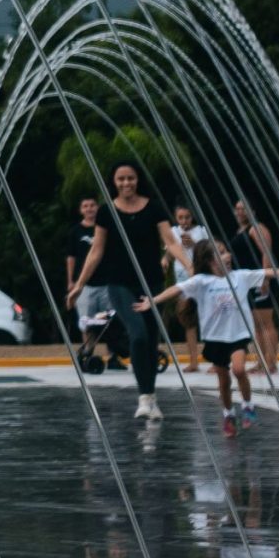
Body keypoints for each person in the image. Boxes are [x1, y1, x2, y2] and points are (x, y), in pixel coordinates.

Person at [139, 240, 279, 435]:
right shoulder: (202, 282)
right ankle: (228, 414)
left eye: (226, 252)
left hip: (237, 335)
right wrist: (152, 301)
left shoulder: (240, 277)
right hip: (215, 339)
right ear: (208, 261)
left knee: (239, 370)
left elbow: (268, 272)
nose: (228, 256)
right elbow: (176, 289)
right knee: (223, 381)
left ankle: (248, 405)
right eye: (221, 253)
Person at [69, 164, 186, 421]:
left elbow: (170, 241)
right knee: (138, 334)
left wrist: (190, 266)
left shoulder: (153, 207)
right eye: (120, 179)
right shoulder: (106, 212)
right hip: (119, 283)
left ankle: (150, 397)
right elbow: (96, 250)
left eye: (130, 178)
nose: (126, 183)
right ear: (114, 181)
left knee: (151, 340)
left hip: (152, 284)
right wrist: (79, 285)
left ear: (137, 180)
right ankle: (144, 398)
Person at [229, 199, 279, 374]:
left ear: (252, 211)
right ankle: (262, 361)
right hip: (247, 282)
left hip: (259, 280)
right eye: (237, 209)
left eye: (244, 209)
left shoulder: (257, 228)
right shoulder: (241, 230)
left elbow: (267, 252)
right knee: (256, 324)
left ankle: (271, 363)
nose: (240, 212)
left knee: (266, 323)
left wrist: (265, 278)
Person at [63, 197, 104, 350]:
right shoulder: (75, 232)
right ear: (81, 210)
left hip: (105, 282)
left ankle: (114, 355)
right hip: (84, 283)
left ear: (97, 207)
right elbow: (71, 257)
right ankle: (89, 351)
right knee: (86, 321)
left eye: (92, 205)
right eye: (85, 206)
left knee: (110, 322)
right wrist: (71, 281)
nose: (89, 209)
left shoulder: (104, 229)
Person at [171, 205, 211, 349]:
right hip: (181, 277)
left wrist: (194, 244)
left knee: (207, 314)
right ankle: (193, 360)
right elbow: (170, 250)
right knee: (186, 317)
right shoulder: (173, 232)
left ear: (192, 216)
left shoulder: (201, 231)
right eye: (180, 218)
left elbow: (209, 252)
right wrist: (164, 260)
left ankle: (213, 354)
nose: (184, 221)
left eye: (187, 217)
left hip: (200, 276)